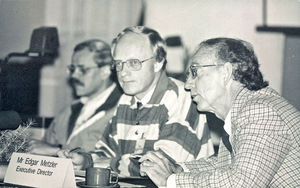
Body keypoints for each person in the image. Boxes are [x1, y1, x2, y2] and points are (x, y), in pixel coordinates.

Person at [139, 37, 300, 187]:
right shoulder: (246, 109)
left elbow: (241, 183)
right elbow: (224, 165)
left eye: (194, 72)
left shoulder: (261, 111)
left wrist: (171, 180)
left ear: (226, 72)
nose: (187, 85)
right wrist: (177, 168)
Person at [58, 26, 214, 176]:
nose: (124, 73)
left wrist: (103, 163)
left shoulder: (182, 96)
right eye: (119, 63)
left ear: (158, 63)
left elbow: (157, 168)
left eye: (134, 63)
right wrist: (85, 160)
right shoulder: (126, 100)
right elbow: (106, 151)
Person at [28, 39, 122, 155]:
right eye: (72, 69)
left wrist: (57, 151)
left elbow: (112, 159)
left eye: (83, 70)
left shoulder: (122, 110)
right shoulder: (68, 112)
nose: (74, 75)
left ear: (105, 71)